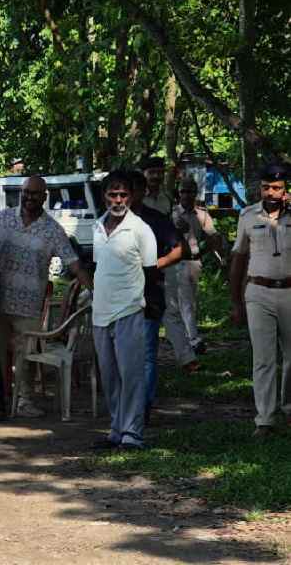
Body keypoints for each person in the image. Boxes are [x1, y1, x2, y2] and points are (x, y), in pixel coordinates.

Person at [0, 175, 92, 418]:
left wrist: (94, 291)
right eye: (26, 192)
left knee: (24, 357)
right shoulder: (2, 218)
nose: (29, 197)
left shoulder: (52, 229)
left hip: (29, 305)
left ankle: (24, 401)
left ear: (44, 197)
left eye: (35, 194)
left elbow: (74, 264)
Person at [91, 170, 157, 450]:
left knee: (131, 375)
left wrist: (147, 306)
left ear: (131, 197)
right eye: (112, 194)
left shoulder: (140, 229)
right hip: (100, 313)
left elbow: (151, 272)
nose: (118, 200)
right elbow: (98, 268)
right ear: (104, 196)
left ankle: (133, 434)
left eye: (123, 195)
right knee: (109, 375)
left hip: (129, 310)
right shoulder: (97, 226)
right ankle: (116, 430)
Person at [229, 161, 291, 438]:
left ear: (285, 189)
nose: (271, 193)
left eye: (277, 187)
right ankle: (264, 419)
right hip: (258, 293)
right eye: (267, 187)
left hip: (289, 292)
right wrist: (236, 301)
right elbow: (239, 259)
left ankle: (288, 409)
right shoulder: (248, 215)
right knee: (263, 358)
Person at [126, 169, 186, 423]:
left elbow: (179, 249)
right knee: (124, 353)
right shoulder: (112, 219)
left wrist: (154, 264)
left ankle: (144, 407)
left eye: (129, 191)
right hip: (119, 297)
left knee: (147, 353)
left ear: (140, 192)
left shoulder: (156, 219)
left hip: (150, 294)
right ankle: (127, 405)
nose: (124, 197)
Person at [171, 177, 221, 354]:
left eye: (190, 191)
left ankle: (187, 337)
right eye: (183, 191)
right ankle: (192, 339)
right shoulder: (172, 213)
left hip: (194, 262)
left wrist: (213, 252)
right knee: (183, 302)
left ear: (195, 193)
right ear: (178, 193)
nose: (187, 195)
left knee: (190, 301)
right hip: (173, 262)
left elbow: (212, 237)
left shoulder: (202, 215)